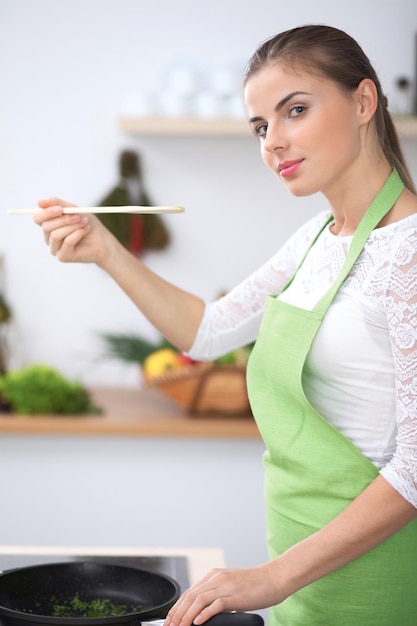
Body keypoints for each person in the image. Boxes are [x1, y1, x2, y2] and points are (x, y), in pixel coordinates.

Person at [33, 24, 417, 626]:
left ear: (364, 101)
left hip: (372, 576)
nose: (274, 142)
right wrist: (105, 249)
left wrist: (272, 576)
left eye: (295, 110)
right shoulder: (315, 239)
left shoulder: (410, 251)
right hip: (298, 565)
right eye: (261, 126)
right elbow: (207, 330)